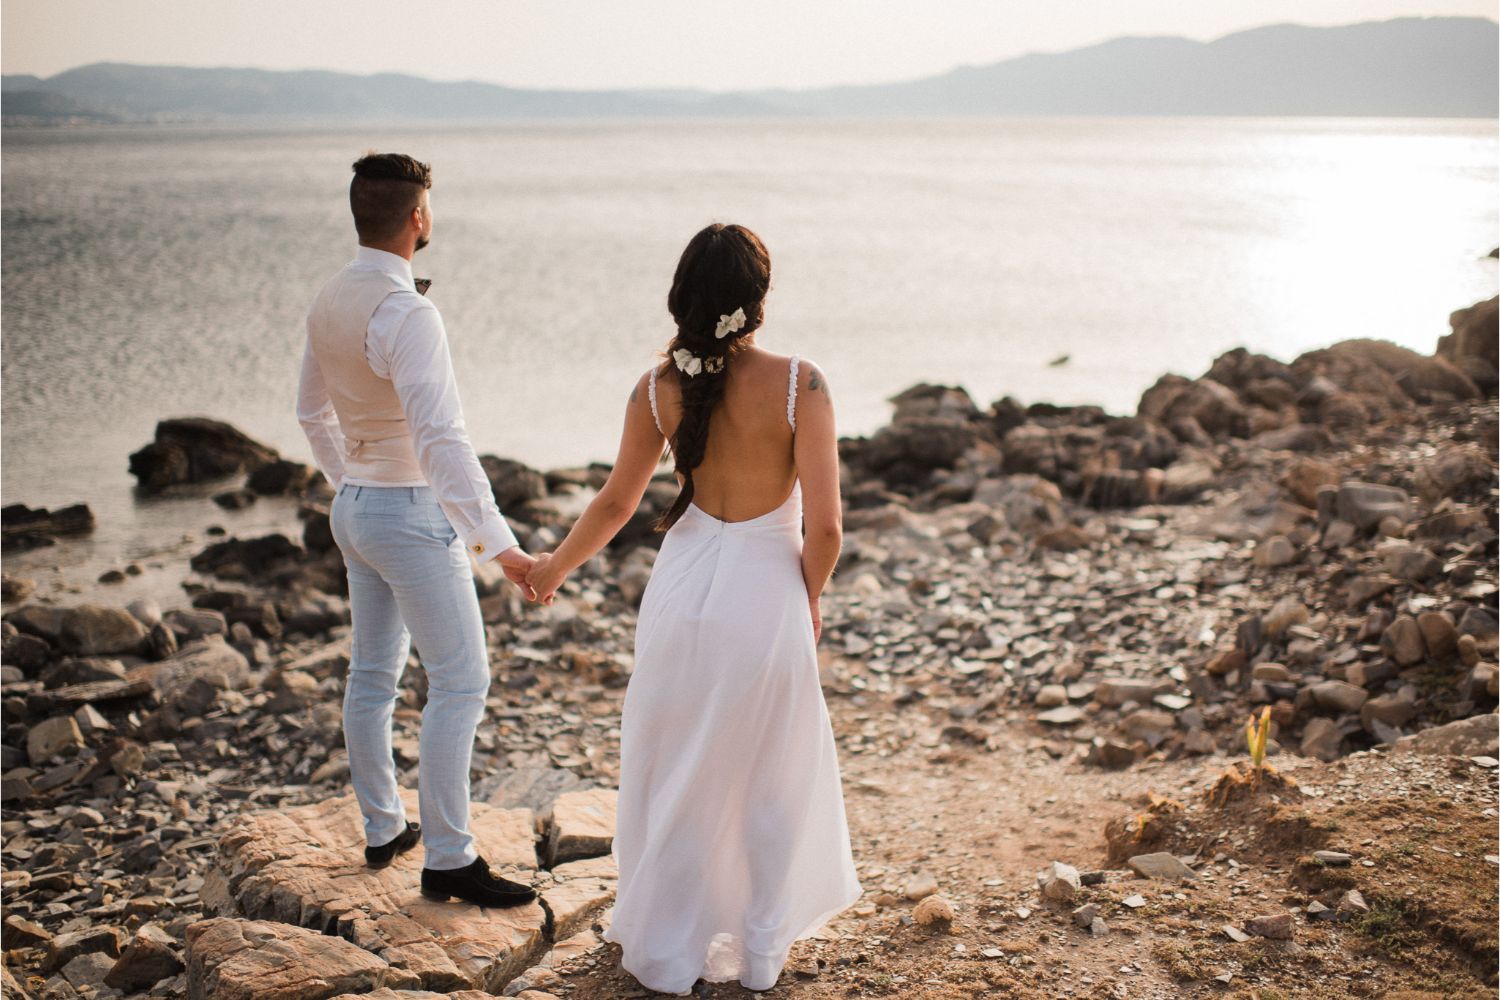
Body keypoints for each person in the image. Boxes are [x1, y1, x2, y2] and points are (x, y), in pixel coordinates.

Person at [526, 223, 861, 993]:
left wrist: (550, 571)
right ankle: (758, 949)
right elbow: (828, 526)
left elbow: (615, 504)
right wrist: (806, 600)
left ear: (684, 298)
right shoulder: (800, 382)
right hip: (763, 592)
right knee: (767, 776)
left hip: (679, 593)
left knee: (673, 767)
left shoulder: (654, 389)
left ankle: (668, 936)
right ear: (757, 301)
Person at [296, 152, 537, 908]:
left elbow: (310, 412)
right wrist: (500, 545)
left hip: (357, 508)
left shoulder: (330, 296)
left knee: (372, 674)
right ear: (419, 217)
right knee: (461, 682)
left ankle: (382, 829)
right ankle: (449, 859)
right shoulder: (407, 312)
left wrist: (355, 484)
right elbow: (442, 440)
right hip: (403, 512)